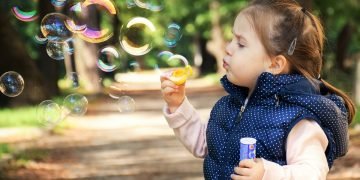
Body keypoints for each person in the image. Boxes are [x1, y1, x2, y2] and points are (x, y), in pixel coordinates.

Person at [160, 0, 355, 179]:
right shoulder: (228, 106)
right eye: (231, 39)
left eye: (241, 43)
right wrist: (178, 105)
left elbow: (312, 172)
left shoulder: (297, 118)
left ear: (275, 64)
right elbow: (205, 145)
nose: (228, 48)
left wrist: (267, 173)